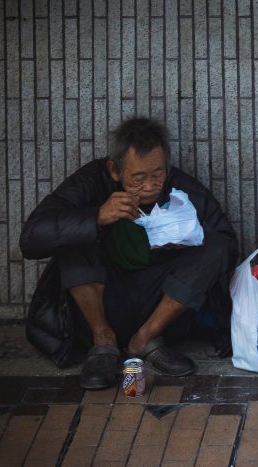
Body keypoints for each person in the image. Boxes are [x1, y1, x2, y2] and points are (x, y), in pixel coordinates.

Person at [20, 117, 238, 389]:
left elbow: (227, 244)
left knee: (213, 245)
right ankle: (104, 341)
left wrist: (190, 238)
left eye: (157, 174)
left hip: (158, 305)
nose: (149, 186)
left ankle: (145, 339)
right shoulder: (92, 181)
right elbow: (30, 239)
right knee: (74, 234)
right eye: (138, 178)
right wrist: (96, 217)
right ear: (115, 170)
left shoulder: (177, 185)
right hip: (102, 301)